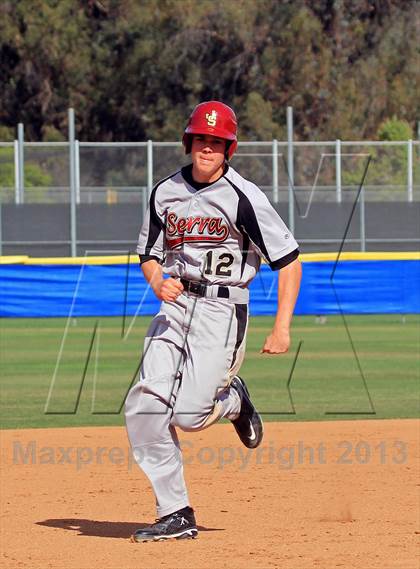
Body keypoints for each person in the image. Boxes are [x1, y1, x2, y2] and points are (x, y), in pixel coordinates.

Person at [125, 101, 302, 542]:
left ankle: (234, 400)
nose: (207, 147)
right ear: (190, 142)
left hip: (223, 312)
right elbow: (147, 253)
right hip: (176, 305)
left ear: (229, 148)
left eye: (217, 141)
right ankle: (176, 513)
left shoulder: (245, 198)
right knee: (143, 407)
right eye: (201, 139)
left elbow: (289, 260)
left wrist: (282, 327)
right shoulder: (164, 192)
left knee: (188, 414)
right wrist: (155, 281)